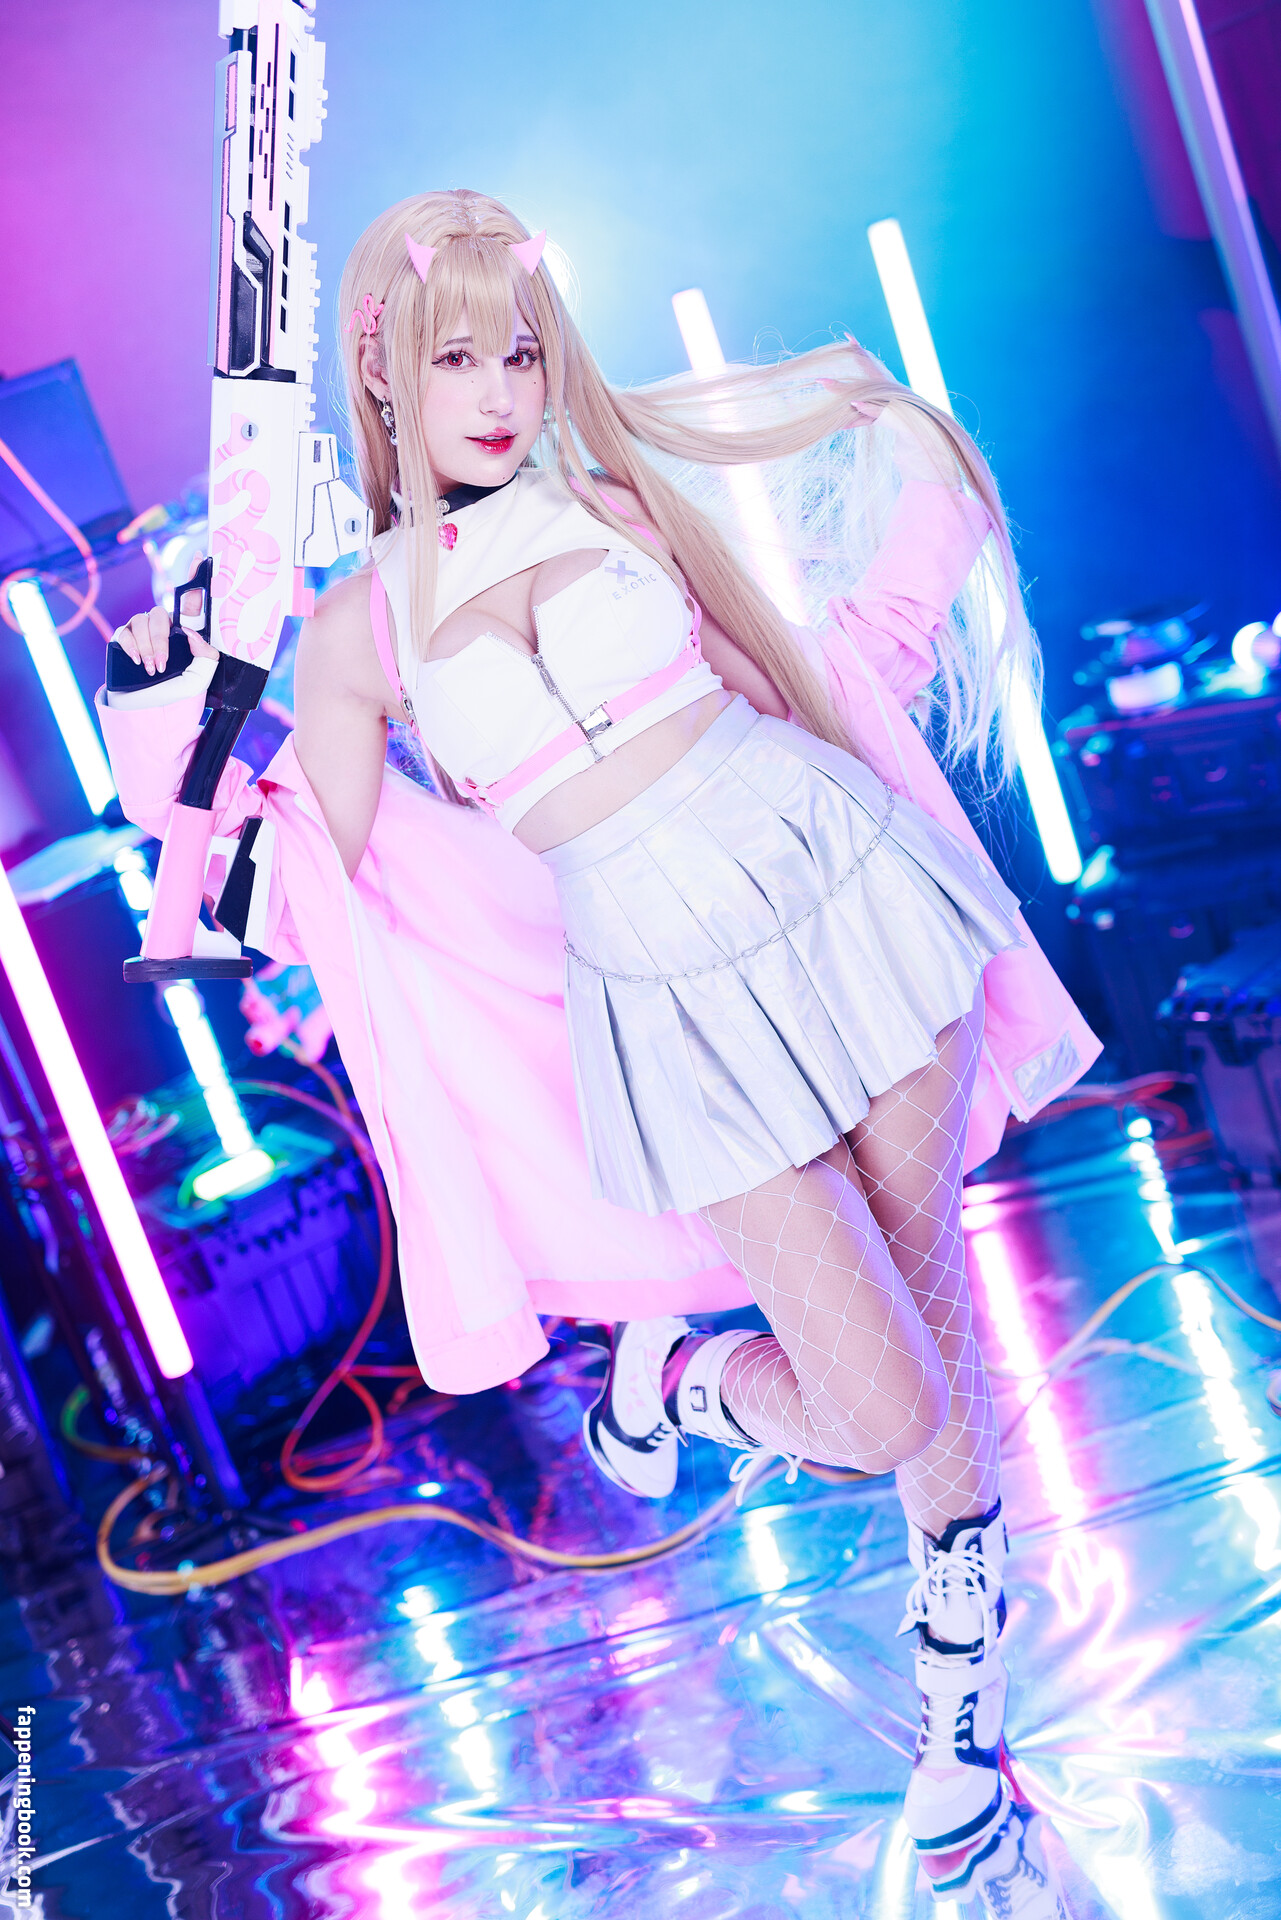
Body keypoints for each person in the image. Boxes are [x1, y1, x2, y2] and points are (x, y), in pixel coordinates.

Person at [105, 189, 1091, 1913]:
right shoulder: (357, 634)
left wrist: (905, 523)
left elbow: (788, 690)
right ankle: (678, 1382)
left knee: (932, 1326)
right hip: (669, 1006)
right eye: (454, 357)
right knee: (878, 1403)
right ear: (381, 374)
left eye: (519, 351)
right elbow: (305, 889)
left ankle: (962, 1735)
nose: (497, 391)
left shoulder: (615, 498)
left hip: (847, 891)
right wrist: (165, 715)